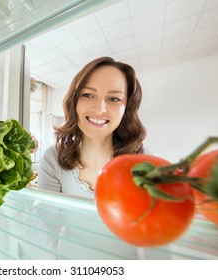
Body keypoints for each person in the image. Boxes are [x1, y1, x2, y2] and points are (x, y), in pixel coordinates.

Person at [38, 56, 148, 199]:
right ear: (74, 101)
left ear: (127, 108)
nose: (99, 109)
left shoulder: (145, 162)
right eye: (88, 95)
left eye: (114, 99)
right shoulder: (52, 158)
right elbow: (47, 219)